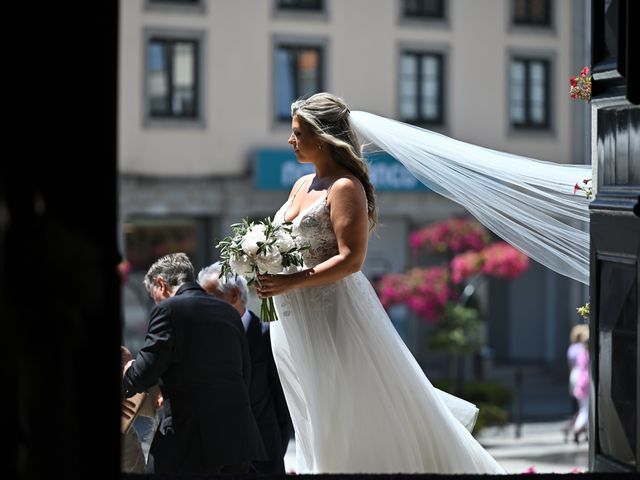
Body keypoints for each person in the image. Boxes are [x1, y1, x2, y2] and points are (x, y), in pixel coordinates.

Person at [253, 92, 505, 474]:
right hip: (291, 316)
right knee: (307, 402)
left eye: (298, 132)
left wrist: (291, 282)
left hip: (332, 310)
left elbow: (351, 259)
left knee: (345, 401)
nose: (291, 140)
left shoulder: (345, 187)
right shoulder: (301, 184)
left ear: (322, 137)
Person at [122, 252, 266, 474]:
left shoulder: (167, 310)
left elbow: (143, 375)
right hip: (238, 439)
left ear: (161, 284)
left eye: (154, 296)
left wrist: (128, 368)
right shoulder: (229, 312)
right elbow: (244, 374)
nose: (156, 302)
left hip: (191, 440)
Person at [198, 262, 293, 475]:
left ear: (233, 295)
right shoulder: (205, 341)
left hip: (263, 460)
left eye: (209, 298)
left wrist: (274, 450)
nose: (202, 307)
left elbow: (283, 404)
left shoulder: (268, 336)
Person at [563, 324, 588, 442]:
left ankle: (576, 426)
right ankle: (579, 428)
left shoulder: (572, 348)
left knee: (577, 404)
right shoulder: (583, 349)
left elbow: (570, 365)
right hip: (583, 377)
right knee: (585, 408)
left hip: (574, 375)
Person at [572, 335, 590, 444]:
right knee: (586, 411)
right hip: (586, 383)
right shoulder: (588, 354)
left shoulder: (581, 354)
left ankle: (581, 430)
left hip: (580, 383)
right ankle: (578, 429)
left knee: (583, 408)